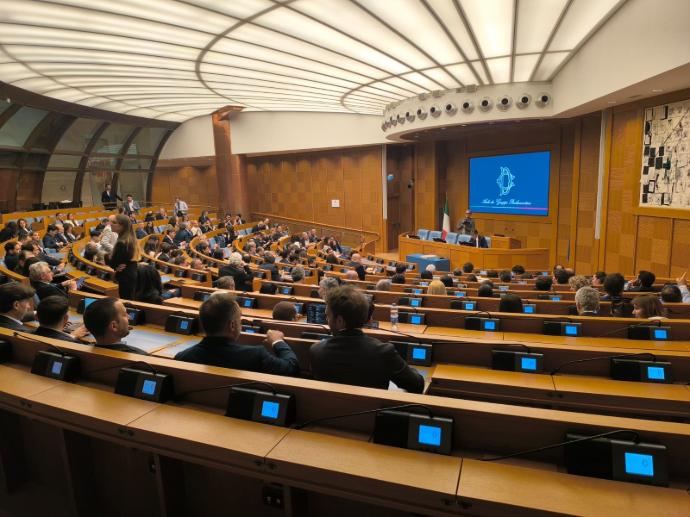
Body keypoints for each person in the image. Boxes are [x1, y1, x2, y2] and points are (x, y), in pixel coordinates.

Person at [309, 286, 424, 393]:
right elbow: (417, 385)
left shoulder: (316, 351)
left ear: (340, 321)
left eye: (327, 316)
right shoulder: (383, 352)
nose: (327, 320)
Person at [175, 293, 299, 375]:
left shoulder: (182, 358)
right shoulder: (255, 355)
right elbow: (291, 367)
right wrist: (278, 341)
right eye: (239, 318)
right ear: (232, 325)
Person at [83, 298, 147, 354]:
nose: (129, 317)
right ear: (114, 326)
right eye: (125, 314)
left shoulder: (83, 351)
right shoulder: (142, 357)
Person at [108, 214, 139, 299]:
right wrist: (115, 265)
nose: (111, 224)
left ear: (122, 226)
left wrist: (111, 261)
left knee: (126, 301)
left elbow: (112, 262)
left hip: (126, 276)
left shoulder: (122, 243)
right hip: (130, 273)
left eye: (114, 222)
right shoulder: (129, 239)